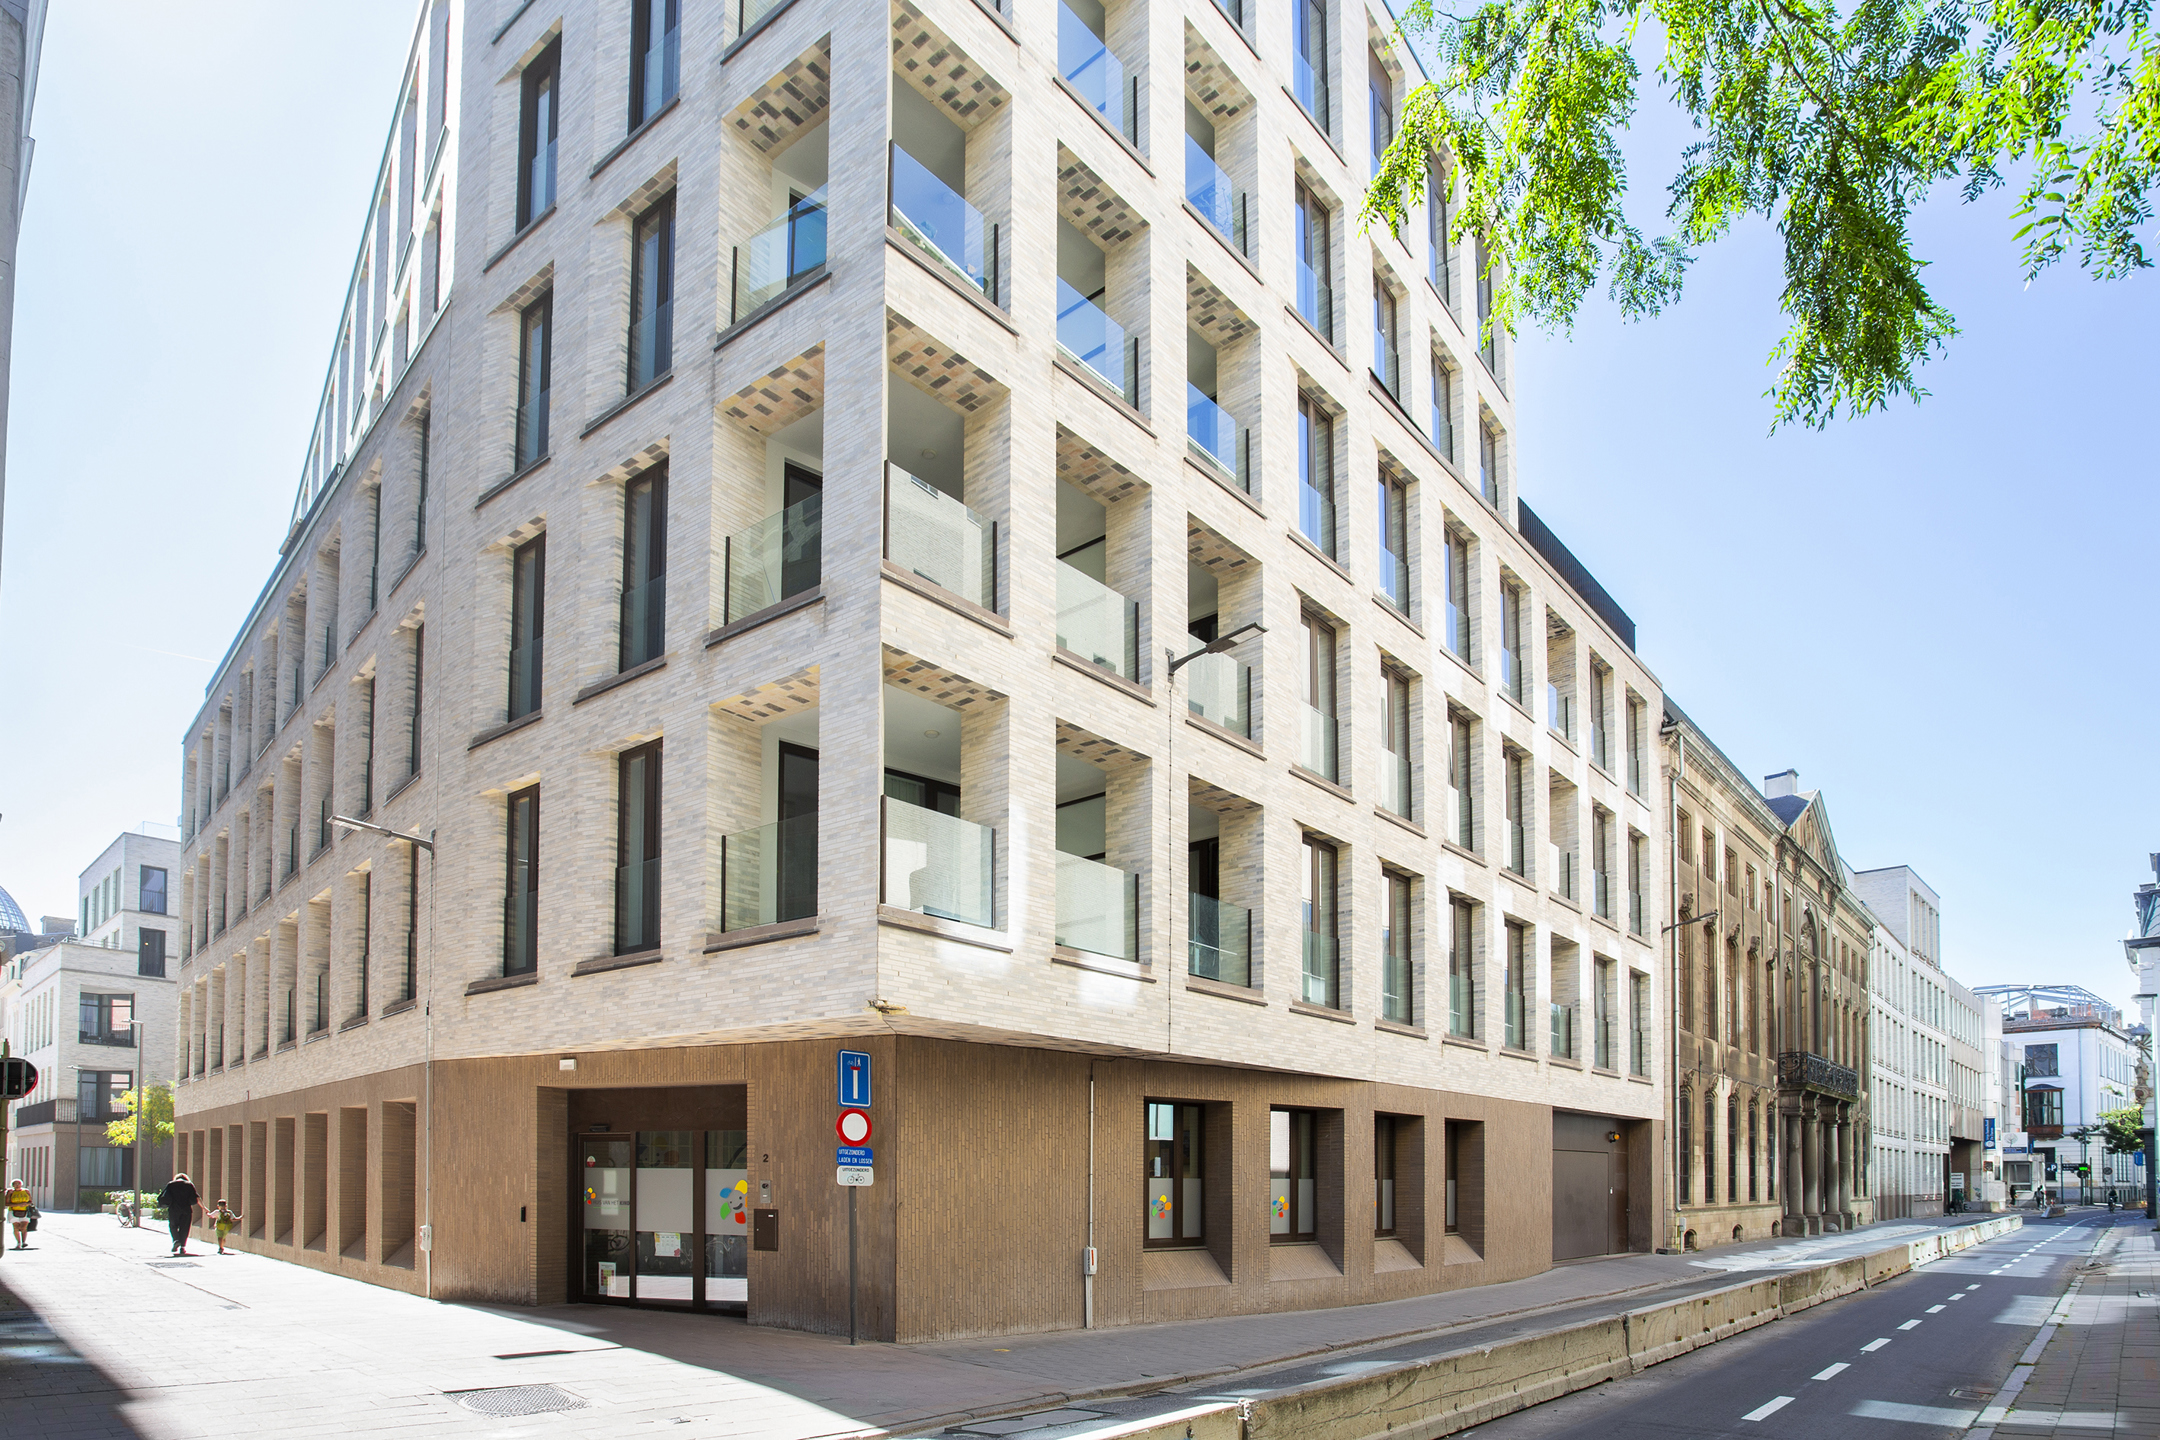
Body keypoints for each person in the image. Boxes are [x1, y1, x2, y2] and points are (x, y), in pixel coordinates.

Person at [156, 1172, 202, 1256]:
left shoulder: (171, 1185)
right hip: (186, 1210)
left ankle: (176, 1240)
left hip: (174, 1209)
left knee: (173, 1226)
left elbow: (164, 1197)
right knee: (184, 1228)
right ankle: (182, 1247)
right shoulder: (189, 1185)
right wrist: (204, 1208)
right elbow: (195, 1198)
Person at [4, 1178, 30, 1250]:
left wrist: (26, 1204)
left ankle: (24, 1242)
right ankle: (18, 1243)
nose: (17, 1185)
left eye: (19, 1184)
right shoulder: (10, 1192)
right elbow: (7, 1203)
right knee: (16, 1227)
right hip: (13, 1212)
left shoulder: (26, 1191)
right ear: (12, 1185)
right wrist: (18, 1204)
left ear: (21, 1184)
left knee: (23, 1227)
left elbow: (30, 1201)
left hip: (25, 1211)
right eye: (15, 1184)